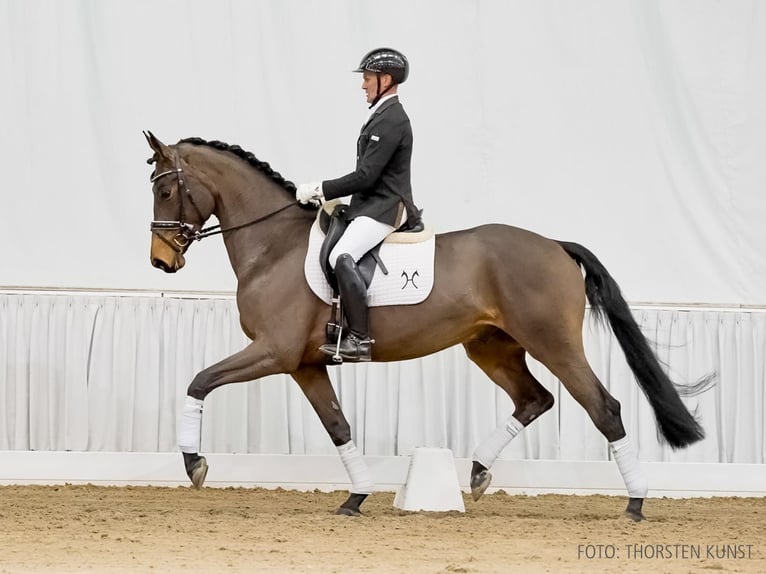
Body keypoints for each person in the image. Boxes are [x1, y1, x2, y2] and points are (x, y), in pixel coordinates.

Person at [296, 47, 421, 363]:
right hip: (370, 204)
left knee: (342, 254)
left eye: (367, 79)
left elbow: (366, 176)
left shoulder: (392, 119)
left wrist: (322, 189)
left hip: (386, 206)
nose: (363, 85)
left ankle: (359, 339)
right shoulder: (380, 114)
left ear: (385, 79)